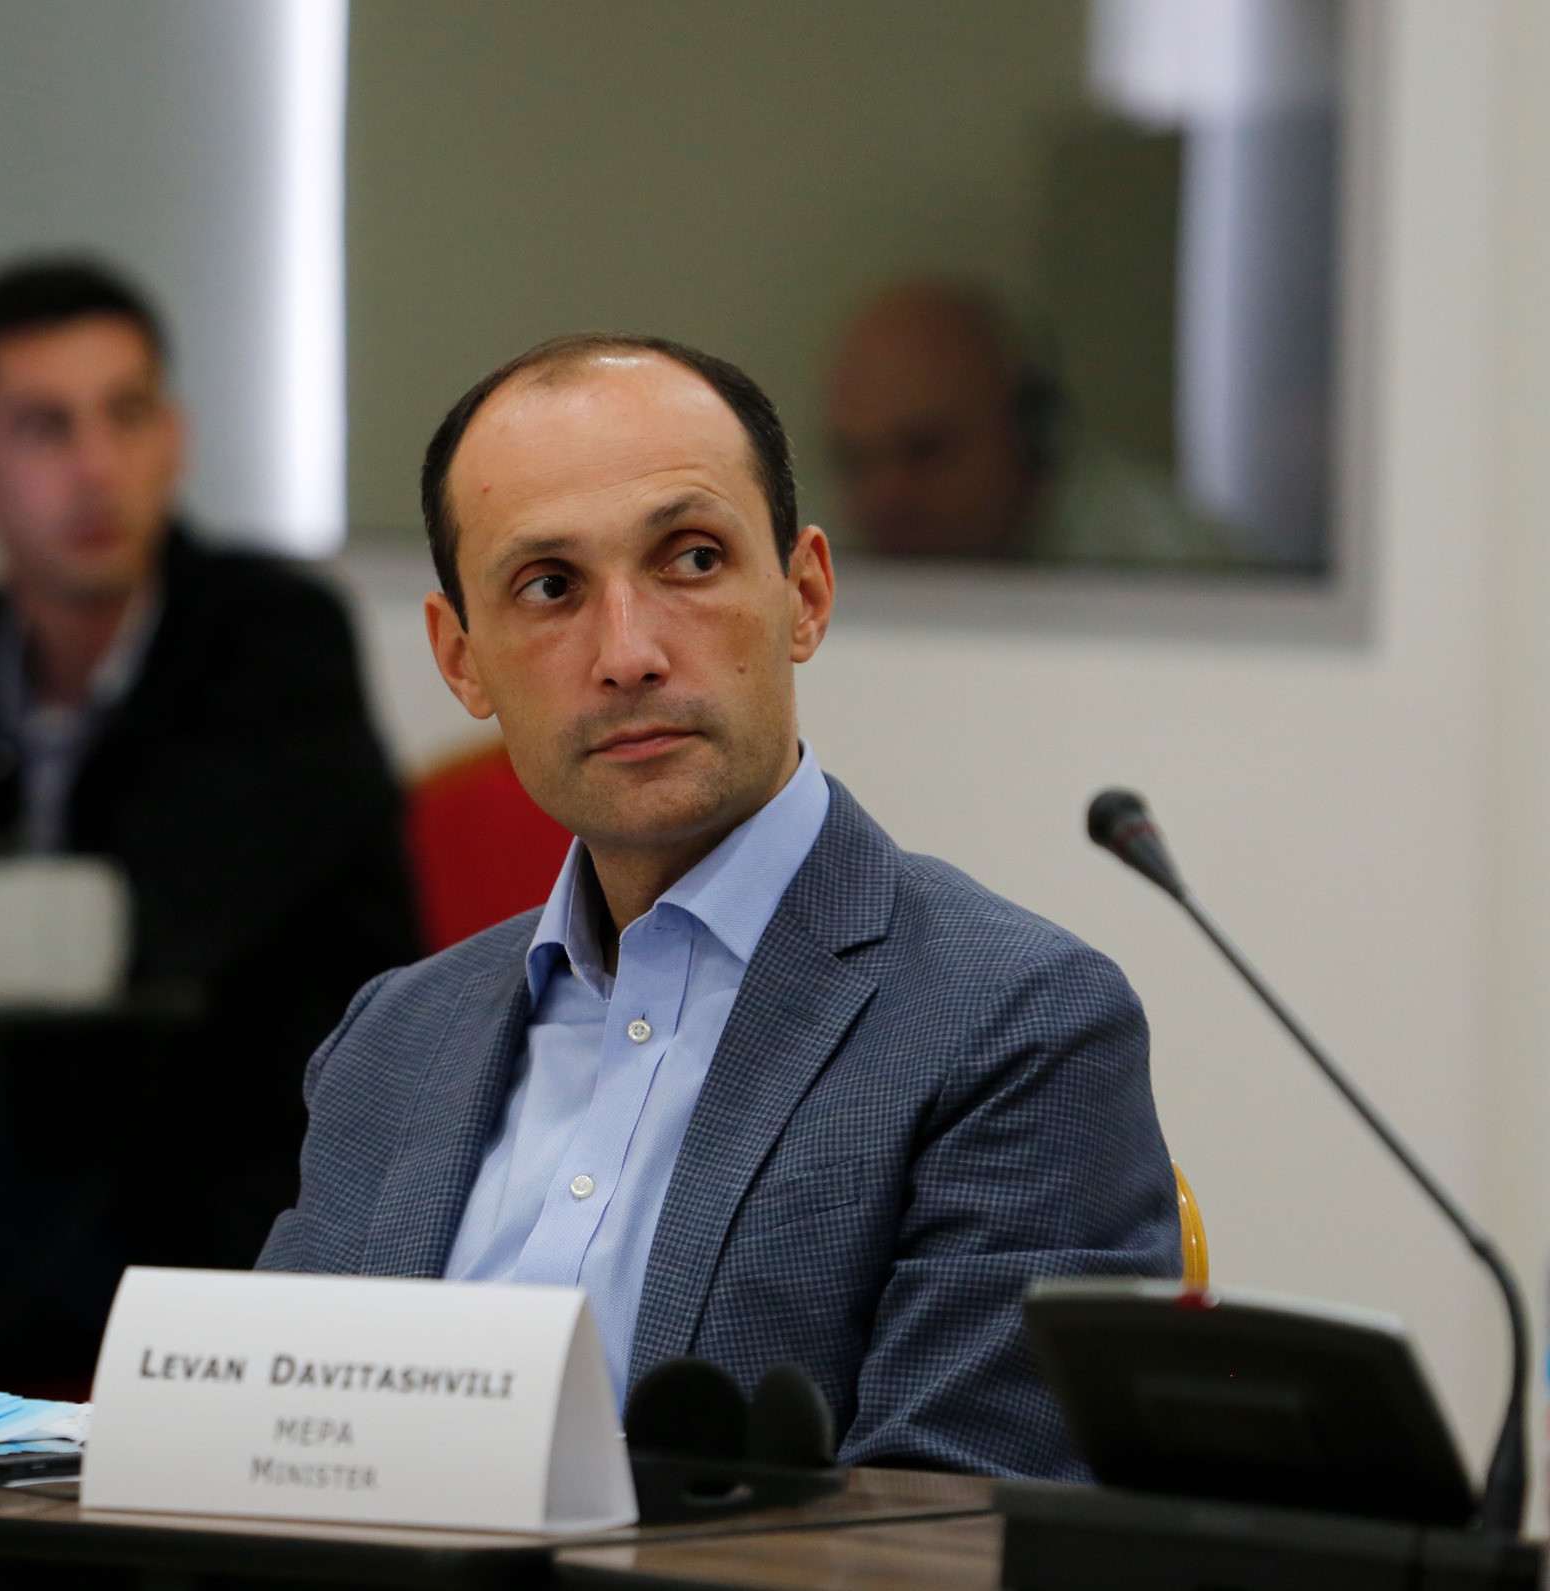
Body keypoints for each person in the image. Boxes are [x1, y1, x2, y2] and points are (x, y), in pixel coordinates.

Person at [259, 332, 1179, 1479]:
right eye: (548, 588)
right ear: (462, 660)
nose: (627, 653)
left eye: (690, 560)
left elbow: (951, 1523)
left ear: (804, 595)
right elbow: (267, 1461)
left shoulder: (1013, 1025)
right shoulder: (389, 1042)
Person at [0, 258, 421, 1380]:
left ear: (174, 436)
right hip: (20, 1179)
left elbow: (154, 917)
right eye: (45, 427)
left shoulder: (276, 636)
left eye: (126, 414)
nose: (96, 467)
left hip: (258, 1177)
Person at [825, 276, 1231, 566]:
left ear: (1029, 432)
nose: (885, 500)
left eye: (925, 451)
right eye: (855, 462)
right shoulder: (818, 562)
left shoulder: (1170, 564)